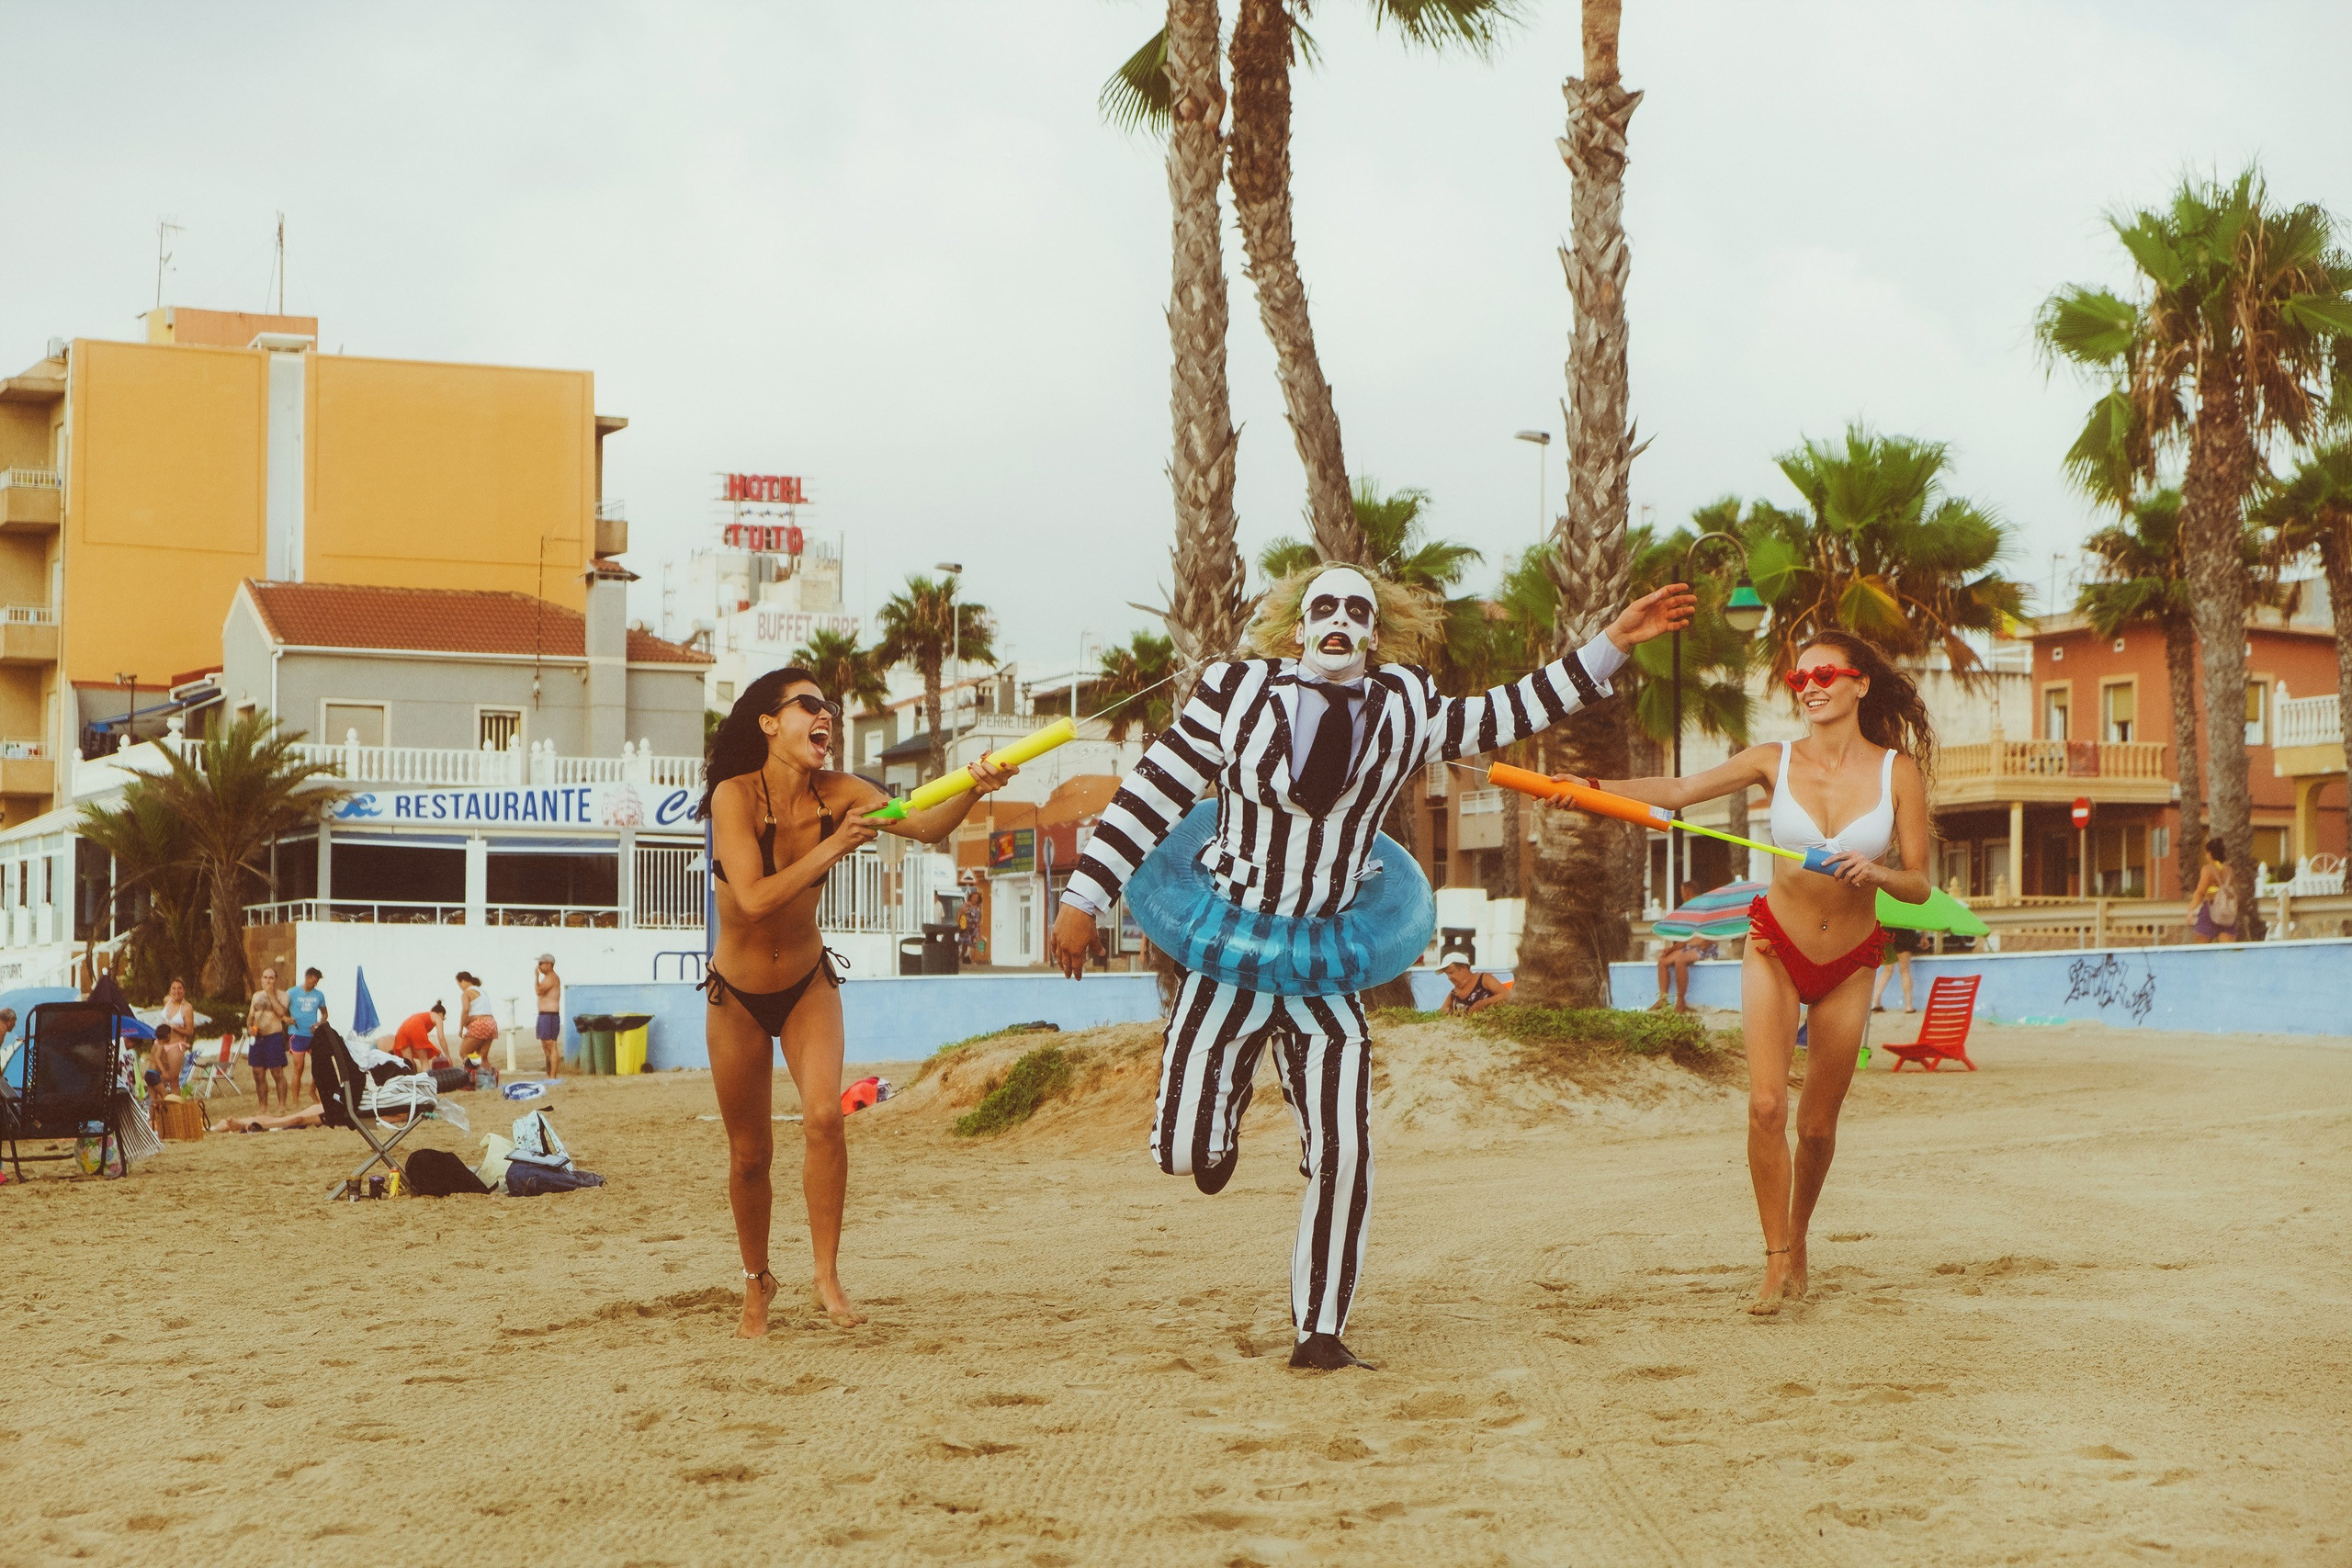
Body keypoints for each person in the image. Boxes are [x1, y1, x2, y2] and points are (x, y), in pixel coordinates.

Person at [1051, 562, 1694, 1370]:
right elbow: (1151, 795)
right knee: (1180, 1152)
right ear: (1297, 627)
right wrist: (1084, 897)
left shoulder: (1405, 706)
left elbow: (1508, 709)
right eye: (1324, 607)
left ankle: (1320, 1329)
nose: (1340, 620)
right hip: (1227, 951)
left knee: (1345, 1150)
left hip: (1326, 961)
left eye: (1357, 610)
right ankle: (1214, 1138)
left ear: (1374, 634)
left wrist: (1611, 643)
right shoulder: (1232, 691)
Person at [1560, 631, 1934, 1315]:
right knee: (1766, 1105)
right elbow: (1679, 790)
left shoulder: (1896, 772)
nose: (1810, 686)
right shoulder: (1773, 759)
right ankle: (1774, 1259)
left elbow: (1919, 885)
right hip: (1775, 947)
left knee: (1816, 1127)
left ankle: (1800, 1235)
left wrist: (1877, 872)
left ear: (1859, 683)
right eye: (1799, 679)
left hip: (1851, 960)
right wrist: (1589, 789)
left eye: (1824, 674)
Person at [701, 667, 1018, 1338]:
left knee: (825, 1118)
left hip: (807, 985)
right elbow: (752, 900)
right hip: (736, 996)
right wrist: (836, 845)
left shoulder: (841, 792)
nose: (827, 717)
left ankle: (826, 1276)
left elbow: (924, 824)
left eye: (832, 708)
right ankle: (757, 1282)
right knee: (750, 1155)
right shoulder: (734, 796)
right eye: (809, 705)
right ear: (769, 723)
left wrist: (973, 785)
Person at [246, 966, 292, 1114]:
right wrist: (249, 1027)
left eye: (271, 978)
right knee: (258, 1073)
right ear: (261, 979)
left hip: (273, 1037)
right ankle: (263, 1106)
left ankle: (282, 1105)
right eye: (265, 977)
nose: (268, 980)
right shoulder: (256, 996)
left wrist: (271, 994)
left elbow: (281, 1012)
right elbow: (250, 1016)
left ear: (276, 980)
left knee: (276, 1072)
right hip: (258, 1039)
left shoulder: (283, 996)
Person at [286, 966, 327, 1104]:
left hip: (313, 1035)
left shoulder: (319, 995)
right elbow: (281, 1010)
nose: (315, 984)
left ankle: (312, 1090)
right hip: (297, 1034)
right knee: (299, 1067)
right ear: (307, 977)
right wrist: (287, 1019)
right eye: (313, 981)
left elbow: (325, 1013)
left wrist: (319, 1024)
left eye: (317, 982)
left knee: (319, 1065)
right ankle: (295, 1100)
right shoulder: (292, 993)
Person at [151, 978, 197, 1093]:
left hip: (175, 1045)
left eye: (180, 988)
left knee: (173, 1079)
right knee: (155, 1077)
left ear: (184, 991)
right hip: (160, 1042)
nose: (177, 991)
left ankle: (176, 1102)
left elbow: (190, 1031)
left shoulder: (187, 1008)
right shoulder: (166, 1000)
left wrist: (175, 1028)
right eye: (174, 988)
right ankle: (161, 1101)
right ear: (170, 990)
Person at [2189, 837, 2237, 942]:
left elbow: (2200, 892)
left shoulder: (2207, 870)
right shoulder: (2230, 871)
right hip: (2226, 913)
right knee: (2228, 951)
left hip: (2209, 911)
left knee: (2201, 949)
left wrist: (2191, 910)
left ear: (2210, 853)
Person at [1440, 951, 1512, 1015]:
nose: (1449, 978)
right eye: (1447, 974)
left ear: (1463, 968)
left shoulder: (1484, 979)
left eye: (1451, 972)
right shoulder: (1454, 994)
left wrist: (1484, 1003)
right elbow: (1441, 1012)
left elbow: (1507, 994)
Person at [1872, 926, 1920, 1012]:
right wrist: (1924, 936)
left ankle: (1876, 1002)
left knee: (1887, 969)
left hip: (1886, 930)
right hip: (1905, 930)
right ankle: (1908, 1007)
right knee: (1905, 970)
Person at [392, 1004, 450, 1070]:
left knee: (409, 1063)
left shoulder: (424, 1015)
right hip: (416, 1028)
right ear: (441, 1013)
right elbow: (441, 1038)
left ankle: (411, 1075)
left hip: (402, 1030)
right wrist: (447, 1056)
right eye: (443, 1018)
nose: (442, 1020)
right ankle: (425, 1076)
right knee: (424, 1061)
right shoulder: (437, 1017)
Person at [534, 955, 562, 1077]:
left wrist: (536, 977)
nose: (539, 966)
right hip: (544, 1015)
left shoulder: (552, 977)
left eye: (541, 963)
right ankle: (549, 1073)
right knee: (545, 1045)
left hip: (550, 1015)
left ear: (549, 964)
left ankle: (553, 1076)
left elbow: (539, 991)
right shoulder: (547, 978)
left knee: (551, 1045)